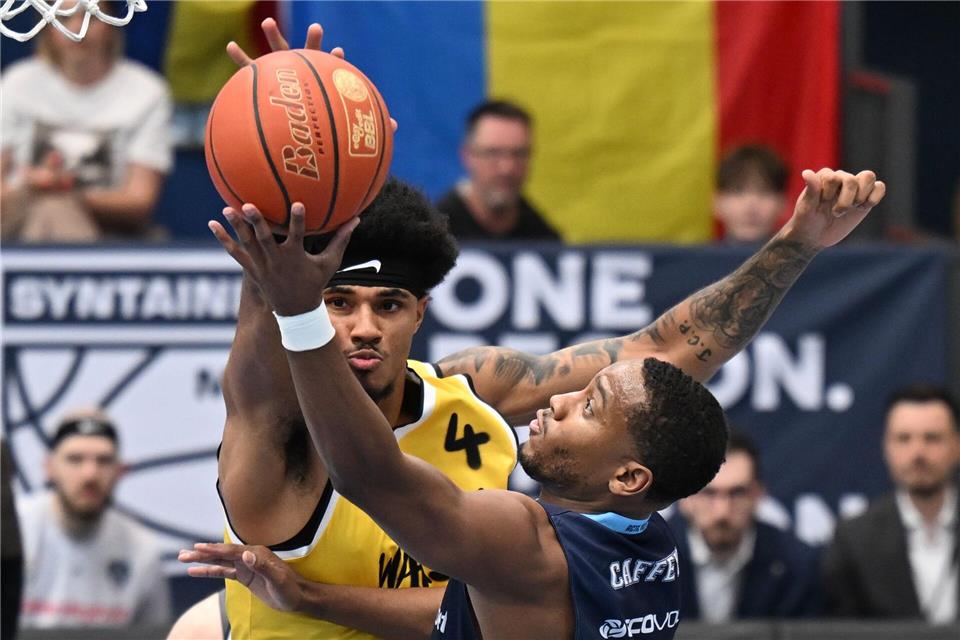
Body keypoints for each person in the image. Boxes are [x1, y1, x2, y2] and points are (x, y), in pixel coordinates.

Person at [183, 143, 885, 638]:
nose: (364, 327)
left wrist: (307, 596)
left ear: (420, 313)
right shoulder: (279, 438)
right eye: (339, 303)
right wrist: (287, 161)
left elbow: (663, 355)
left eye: (388, 305)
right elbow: (259, 360)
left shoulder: (477, 407)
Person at [0, 0, 173, 242]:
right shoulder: (16, 84)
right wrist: (31, 185)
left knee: (56, 207)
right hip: (17, 222)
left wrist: (67, 191)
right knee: (51, 207)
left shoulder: (147, 92)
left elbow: (139, 200)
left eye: (90, 16)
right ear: (47, 24)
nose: (77, 29)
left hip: (110, 235)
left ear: (112, 22)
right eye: (64, 18)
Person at [16, 408, 172, 629]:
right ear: (49, 468)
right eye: (75, 459)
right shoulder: (13, 531)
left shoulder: (143, 550)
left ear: (120, 470)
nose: (90, 474)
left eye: (103, 460)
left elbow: (155, 634)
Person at [822, 384, 960, 623]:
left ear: (957, 445)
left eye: (932, 438)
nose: (918, 452)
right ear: (886, 447)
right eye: (904, 439)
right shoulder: (853, 540)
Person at [668, 430, 821, 621]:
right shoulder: (642, 562)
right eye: (708, 493)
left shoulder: (795, 566)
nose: (722, 511)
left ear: (758, 494)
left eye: (737, 493)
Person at [435, 100, 560, 241]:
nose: (507, 168)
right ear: (467, 155)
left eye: (519, 154)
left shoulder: (544, 241)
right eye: (492, 153)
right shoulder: (430, 236)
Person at [714, 144, 788, 245]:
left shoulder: (804, 259)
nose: (750, 207)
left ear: (782, 202)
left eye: (764, 192)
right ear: (717, 201)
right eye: (738, 191)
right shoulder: (695, 258)